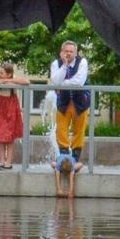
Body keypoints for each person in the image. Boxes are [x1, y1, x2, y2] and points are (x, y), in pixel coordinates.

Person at [50, 40, 91, 170]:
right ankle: (64, 160)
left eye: (71, 51)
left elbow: (79, 82)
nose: (68, 53)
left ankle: (75, 159)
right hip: (63, 103)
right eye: (66, 51)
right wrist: (64, 66)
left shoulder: (82, 62)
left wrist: (61, 85)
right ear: (61, 52)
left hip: (81, 102)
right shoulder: (56, 63)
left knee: (79, 131)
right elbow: (55, 80)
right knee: (61, 131)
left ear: (76, 53)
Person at [0, 62, 29, 168]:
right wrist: (1, 79)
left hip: (11, 107)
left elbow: (26, 81)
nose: (0, 74)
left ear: (9, 74)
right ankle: (2, 162)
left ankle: (8, 163)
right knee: (0, 136)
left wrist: (10, 80)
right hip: (0, 107)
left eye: (2, 73)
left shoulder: (13, 78)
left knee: (10, 137)